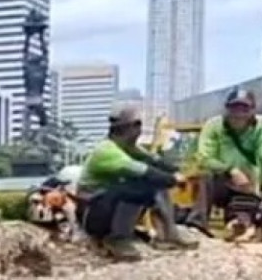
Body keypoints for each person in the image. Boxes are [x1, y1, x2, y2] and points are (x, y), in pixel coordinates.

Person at [76, 106, 198, 261]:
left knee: (154, 185)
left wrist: (177, 171)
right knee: (136, 187)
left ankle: (167, 235)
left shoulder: (127, 148)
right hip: (91, 212)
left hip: (102, 206)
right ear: (130, 128)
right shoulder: (107, 151)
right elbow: (145, 171)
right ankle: (116, 238)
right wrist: (174, 179)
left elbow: (153, 161)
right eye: (138, 126)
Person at [189, 88, 262, 228]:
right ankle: (197, 223)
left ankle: (239, 223)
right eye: (234, 109)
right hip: (219, 181)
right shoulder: (213, 126)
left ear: (253, 111)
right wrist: (230, 170)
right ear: (227, 109)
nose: (239, 114)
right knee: (205, 176)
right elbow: (204, 158)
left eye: (244, 109)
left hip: (246, 184)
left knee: (241, 223)